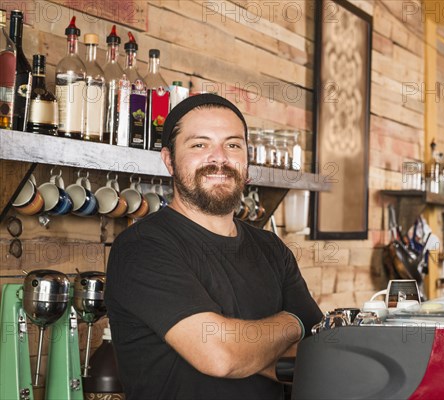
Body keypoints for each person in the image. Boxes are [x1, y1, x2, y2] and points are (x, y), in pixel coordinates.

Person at [105, 93, 323, 399]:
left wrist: (244, 346)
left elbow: (315, 356)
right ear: (169, 160)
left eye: (233, 144)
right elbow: (222, 357)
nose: (219, 158)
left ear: (247, 159)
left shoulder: (271, 248)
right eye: (199, 144)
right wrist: (292, 321)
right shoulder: (142, 248)